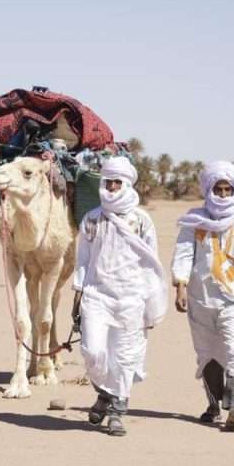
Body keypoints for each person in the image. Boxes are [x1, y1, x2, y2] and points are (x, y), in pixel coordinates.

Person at [71, 156, 168, 436]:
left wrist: (151, 303)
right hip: (96, 295)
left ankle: (115, 411)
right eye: (107, 182)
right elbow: (82, 260)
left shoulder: (141, 220)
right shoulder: (91, 219)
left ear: (126, 184)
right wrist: (77, 297)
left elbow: (152, 263)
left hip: (132, 299)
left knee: (124, 358)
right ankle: (104, 392)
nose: (111, 187)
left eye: (117, 182)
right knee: (93, 352)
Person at [171, 161, 234, 431]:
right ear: (208, 189)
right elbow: (185, 253)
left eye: (227, 189)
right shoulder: (194, 218)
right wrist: (181, 285)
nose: (222, 194)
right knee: (208, 354)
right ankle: (213, 404)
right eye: (218, 189)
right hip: (201, 296)